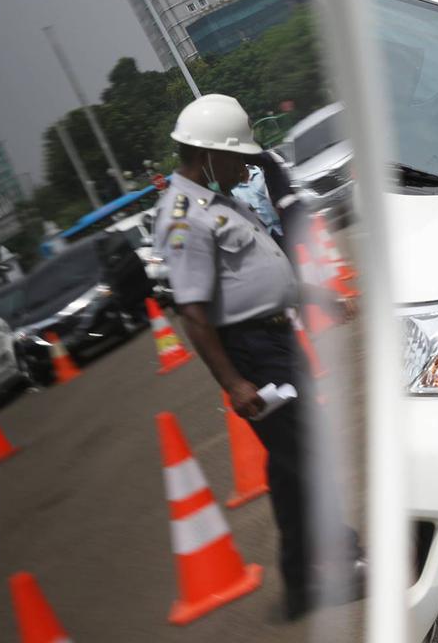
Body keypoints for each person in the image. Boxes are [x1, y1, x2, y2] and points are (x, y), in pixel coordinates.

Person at [152, 93, 362, 619]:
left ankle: (301, 584)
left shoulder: (220, 202)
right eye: (238, 157)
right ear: (208, 155)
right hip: (253, 353)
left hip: (277, 341)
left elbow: (261, 276)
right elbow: (193, 313)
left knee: (291, 468)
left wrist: (318, 297)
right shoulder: (184, 217)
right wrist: (234, 383)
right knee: (308, 453)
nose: (246, 167)